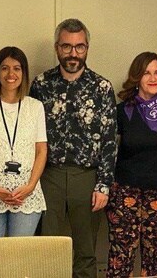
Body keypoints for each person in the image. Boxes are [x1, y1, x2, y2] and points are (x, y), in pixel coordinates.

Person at [30, 18, 117, 278]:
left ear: (87, 48)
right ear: (57, 47)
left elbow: (110, 141)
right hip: (49, 176)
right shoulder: (41, 84)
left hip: (87, 178)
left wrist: (103, 185)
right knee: (47, 248)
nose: (73, 53)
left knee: (86, 251)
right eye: (67, 47)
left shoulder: (102, 87)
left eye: (79, 47)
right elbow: (29, 134)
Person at [105, 52, 157, 277]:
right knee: (121, 257)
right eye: (146, 73)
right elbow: (108, 152)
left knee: (155, 258)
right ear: (137, 77)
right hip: (125, 193)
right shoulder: (120, 112)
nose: (153, 78)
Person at [0, 46, 47, 238]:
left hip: (26, 192)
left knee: (18, 259)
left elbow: (41, 151)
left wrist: (30, 187)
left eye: (17, 68)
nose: (11, 74)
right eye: (4, 68)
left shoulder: (35, 107)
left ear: (24, 73)